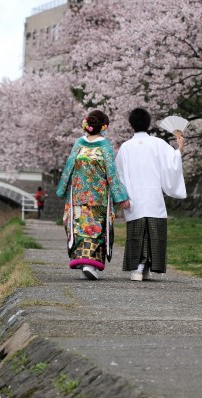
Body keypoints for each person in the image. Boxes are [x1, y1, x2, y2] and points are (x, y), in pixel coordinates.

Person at [56, 110, 130, 280]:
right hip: (98, 196)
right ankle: (89, 264)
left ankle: (85, 263)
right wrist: (121, 197)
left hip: (78, 196)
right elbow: (112, 172)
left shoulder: (79, 144)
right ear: (104, 127)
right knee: (95, 229)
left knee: (80, 229)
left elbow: (69, 167)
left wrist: (62, 189)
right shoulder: (105, 146)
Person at [115, 108, 186, 281]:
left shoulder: (125, 147)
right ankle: (144, 266)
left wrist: (122, 197)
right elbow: (172, 165)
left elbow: (119, 175)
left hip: (133, 197)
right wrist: (179, 149)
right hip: (153, 195)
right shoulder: (158, 144)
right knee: (153, 231)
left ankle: (139, 268)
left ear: (131, 124)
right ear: (148, 123)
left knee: (138, 232)